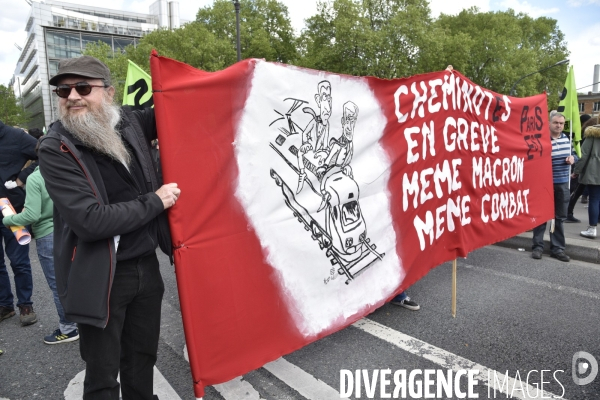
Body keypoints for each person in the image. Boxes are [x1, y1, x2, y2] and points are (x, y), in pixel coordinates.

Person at [38, 55, 180, 399]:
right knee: (102, 375)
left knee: (142, 360)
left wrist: (243, 76)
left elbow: (180, 104)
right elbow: (90, 221)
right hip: (100, 276)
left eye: (83, 87)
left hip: (146, 268)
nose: (72, 96)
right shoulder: (55, 147)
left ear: (109, 93)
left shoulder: (130, 121)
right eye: (63, 90)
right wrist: (156, 201)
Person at [2, 139, 79, 344]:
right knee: (74, 278)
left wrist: (8, 219)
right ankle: (82, 320)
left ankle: (68, 328)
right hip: (71, 230)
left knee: (58, 283)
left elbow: (32, 215)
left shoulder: (37, 178)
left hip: (47, 235)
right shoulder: (68, 170)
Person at [0, 120, 38, 326]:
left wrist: (22, 177)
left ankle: (25, 305)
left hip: (12, 210)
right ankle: (5, 306)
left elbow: (45, 153)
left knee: (19, 262)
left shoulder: (16, 136)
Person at [531, 111, 577, 262]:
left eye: (561, 123)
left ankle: (557, 249)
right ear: (549, 123)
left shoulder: (567, 139)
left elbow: (576, 155)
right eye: (556, 123)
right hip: (544, 184)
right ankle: (537, 247)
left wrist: (573, 158)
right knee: (541, 216)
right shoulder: (541, 140)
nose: (559, 125)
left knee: (559, 218)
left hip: (562, 184)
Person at [296, 80, 332, 193]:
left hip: (320, 152)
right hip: (311, 148)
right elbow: (304, 133)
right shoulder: (314, 121)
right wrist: (306, 143)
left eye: (328, 96)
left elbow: (325, 142)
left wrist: (323, 152)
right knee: (299, 153)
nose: (326, 99)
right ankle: (302, 173)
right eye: (324, 95)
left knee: (324, 162)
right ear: (318, 99)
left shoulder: (327, 123)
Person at [573, 121, 600, 238]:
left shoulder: (593, 132)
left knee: (594, 199)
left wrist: (576, 170)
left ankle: (592, 229)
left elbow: (583, 154)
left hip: (595, 171)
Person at [566, 114, 593, 223]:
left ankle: (567, 212)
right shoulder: (586, 136)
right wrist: (577, 170)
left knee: (575, 191)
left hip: (582, 167)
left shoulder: (582, 134)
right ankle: (567, 212)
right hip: (582, 168)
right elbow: (582, 154)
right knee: (575, 191)